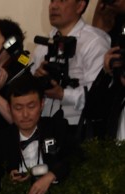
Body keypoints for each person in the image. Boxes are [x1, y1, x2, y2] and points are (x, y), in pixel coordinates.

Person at [30, 0, 110, 130]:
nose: (53, 6)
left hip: (79, 127)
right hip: (44, 126)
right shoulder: (43, 44)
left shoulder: (94, 41)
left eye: (61, 1)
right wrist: (37, 79)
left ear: (80, 6)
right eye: (52, 1)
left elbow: (98, 95)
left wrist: (63, 94)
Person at [0, 75, 76, 194]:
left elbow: (76, 156)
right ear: (9, 108)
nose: (25, 114)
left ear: (42, 104)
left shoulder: (56, 127)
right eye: (18, 108)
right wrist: (8, 179)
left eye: (31, 106)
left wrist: (51, 175)